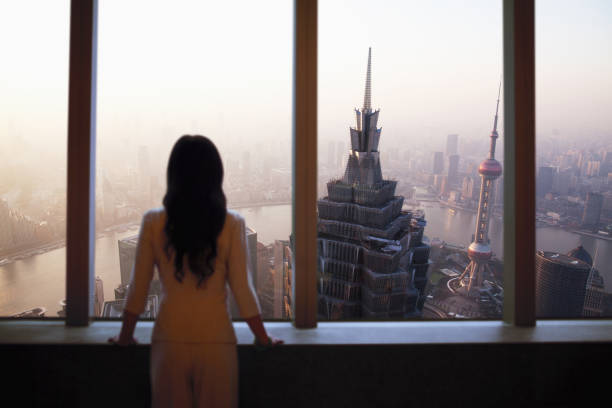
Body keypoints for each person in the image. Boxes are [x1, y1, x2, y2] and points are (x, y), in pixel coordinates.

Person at [109, 135, 282, 408]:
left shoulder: (153, 222)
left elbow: (137, 289)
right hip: (216, 342)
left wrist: (125, 336)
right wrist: (263, 337)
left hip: (169, 342)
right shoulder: (232, 224)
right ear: (216, 175)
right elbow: (243, 289)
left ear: (173, 175)